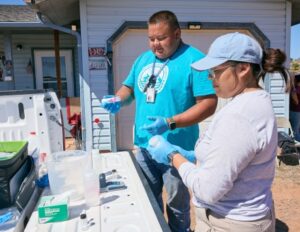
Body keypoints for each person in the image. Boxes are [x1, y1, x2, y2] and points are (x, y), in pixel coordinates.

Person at [147, 32, 289, 232]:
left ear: (243, 69)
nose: (211, 78)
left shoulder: (239, 115)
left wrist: (173, 156)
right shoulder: (256, 100)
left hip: (229, 223)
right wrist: (195, 157)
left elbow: (207, 190)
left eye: (216, 71)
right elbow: (236, 157)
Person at [101, 10, 217, 232]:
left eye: (161, 38)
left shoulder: (195, 60)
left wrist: (170, 122)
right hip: (144, 147)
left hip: (176, 149)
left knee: (176, 205)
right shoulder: (143, 59)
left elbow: (208, 103)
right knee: (147, 199)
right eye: (151, 39)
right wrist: (118, 98)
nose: (155, 44)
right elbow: (129, 88)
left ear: (176, 33)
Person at [290, 73, 300, 141]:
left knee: (295, 130)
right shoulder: (297, 89)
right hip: (297, 111)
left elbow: (296, 101)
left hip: (295, 111)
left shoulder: (296, 89)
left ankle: (297, 144)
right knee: (296, 129)